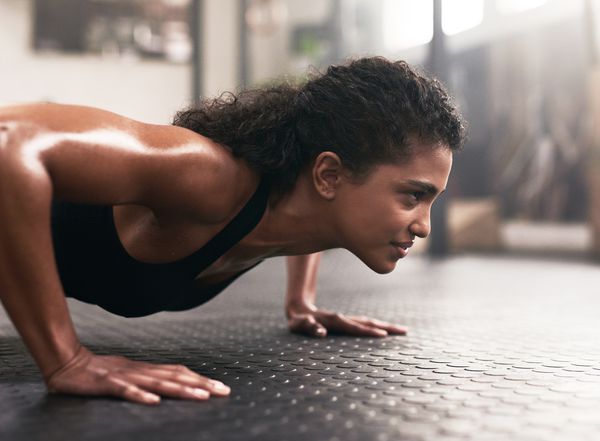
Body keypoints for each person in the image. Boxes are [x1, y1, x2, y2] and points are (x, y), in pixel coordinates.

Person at [0, 57, 465, 405]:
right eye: (412, 196)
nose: (424, 226)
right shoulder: (209, 177)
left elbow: (317, 220)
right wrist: (66, 358)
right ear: (328, 175)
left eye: (432, 201)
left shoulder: (301, 208)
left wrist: (301, 303)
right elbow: (7, 145)